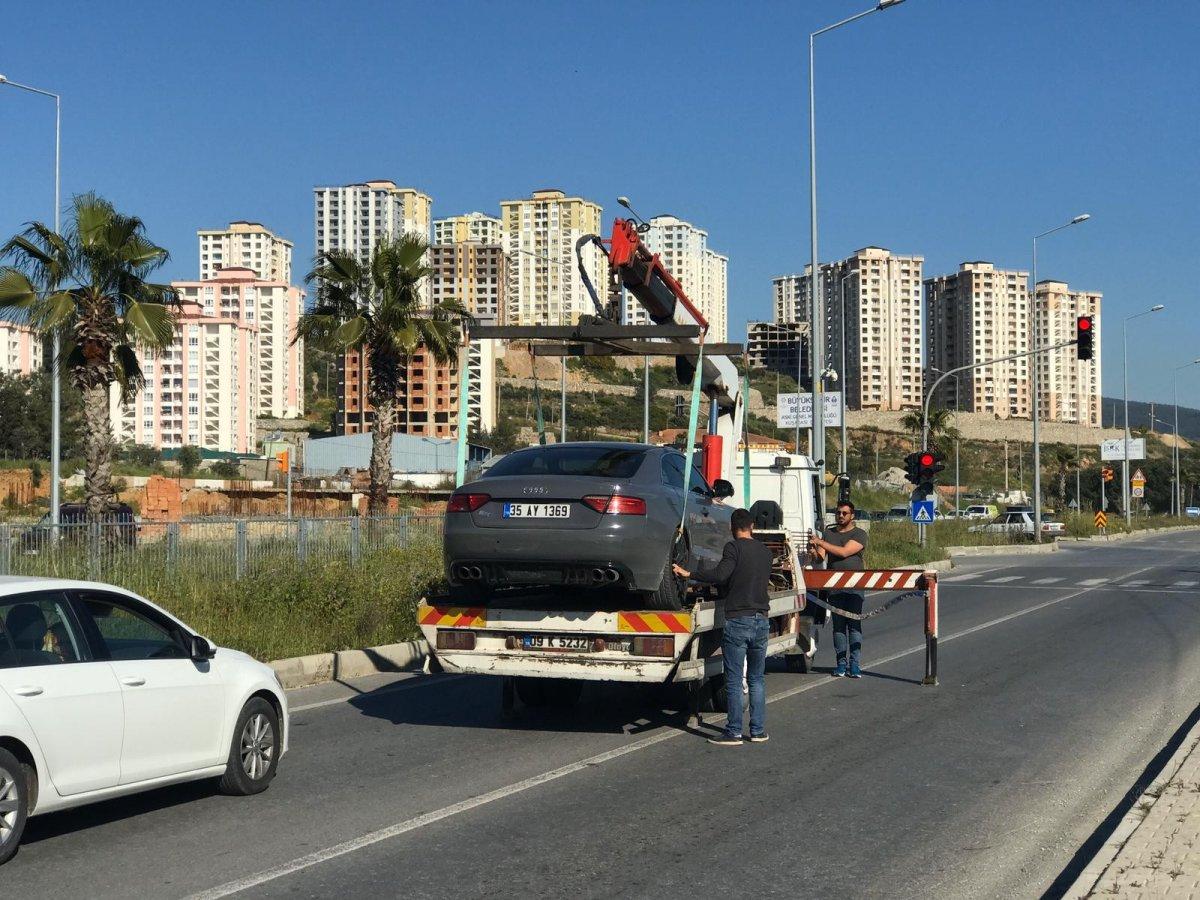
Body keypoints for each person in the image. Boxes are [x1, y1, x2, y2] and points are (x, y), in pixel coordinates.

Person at [673, 508, 774, 746]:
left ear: (732, 528)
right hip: (762, 618)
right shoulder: (765, 552)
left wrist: (690, 573)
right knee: (757, 679)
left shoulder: (733, 548)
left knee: (734, 677)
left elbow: (721, 575)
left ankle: (734, 732)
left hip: (739, 618)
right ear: (752, 527)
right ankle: (758, 731)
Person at [808, 501, 869, 678]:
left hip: (854, 586)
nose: (840, 516)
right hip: (835, 587)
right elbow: (820, 558)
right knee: (839, 627)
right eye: (838, 513)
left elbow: (843, 552)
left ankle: (855, 664)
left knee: (854, 625)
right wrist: (813, 550)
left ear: (852, 516)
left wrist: (820, 541)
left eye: (844, 513)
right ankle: (841, 664)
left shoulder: (859, 534)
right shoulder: (828, 533)